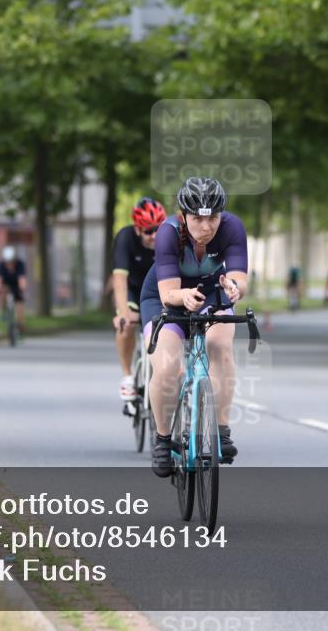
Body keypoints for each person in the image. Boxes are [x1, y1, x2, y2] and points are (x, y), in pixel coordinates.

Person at [140, 177, 248, 478]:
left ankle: (221, 430)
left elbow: (240, 277)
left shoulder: (232, 228)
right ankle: (162, 439)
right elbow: (167, 294)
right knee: (168, 368)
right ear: (183, 216)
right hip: (165, 298)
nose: (206, 226)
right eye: (198, 218)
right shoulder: (168, 233)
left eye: (212, 217)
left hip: (212, 292)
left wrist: (235, 287)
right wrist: (182, 297)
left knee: (222, 348)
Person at [111, 197, 166, 405]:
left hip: (160, 290)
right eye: (148, 231)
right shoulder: (125, 238)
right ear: (137, 229)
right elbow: (119, 279)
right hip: (134, 289)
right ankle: (127, 376)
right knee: (125, 325)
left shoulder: (170, 236)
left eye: (157, 230)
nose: (154, 236)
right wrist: (124, 313)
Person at [0, 246, 27, 333]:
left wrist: (22, 289)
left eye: (12, 262)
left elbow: (22, 279)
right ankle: (4, 311)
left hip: (16, 285)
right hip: (6, 285)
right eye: (8, 262)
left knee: (19, 305)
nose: (10, 264)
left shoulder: (20, 264)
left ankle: (21, 326)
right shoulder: (1, 265)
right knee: (3, 292)